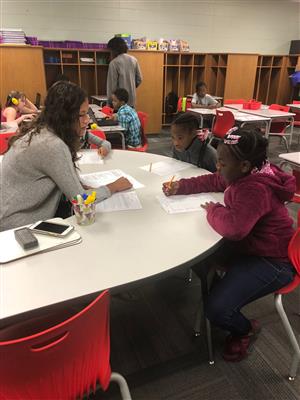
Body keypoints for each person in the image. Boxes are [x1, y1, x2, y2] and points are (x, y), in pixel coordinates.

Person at [163, 128, 296, 362]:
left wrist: (215, 210)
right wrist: (181, 186)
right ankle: (225, 294)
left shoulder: (255, 188)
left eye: (222, 163)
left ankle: (244, 329)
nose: (218, 167)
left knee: (216, 309)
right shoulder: (247, 172)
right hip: (252, 247)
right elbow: (217, 179)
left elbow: (234, 229)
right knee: (200, 256)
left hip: (274, 261)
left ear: (244, 166)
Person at [0, 81, 132, 231]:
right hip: (21, 227)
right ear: (63, 117)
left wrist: (76, 185)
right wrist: (113, 187)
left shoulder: (43, 131)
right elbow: (80, 199)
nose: (87, 120)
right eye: (81, 115)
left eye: (87, 114)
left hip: (11, 215)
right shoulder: (52, 144)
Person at [106, 37, 142, 108]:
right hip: (132, 101)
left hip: (118, 103)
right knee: (130, 118)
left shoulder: (114, 63)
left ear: (114, 49)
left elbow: (111, 86)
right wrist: (130, 87)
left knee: (119, 119)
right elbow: (139, 79)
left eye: (110, 50)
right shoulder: (134, 60)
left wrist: (109, 103)